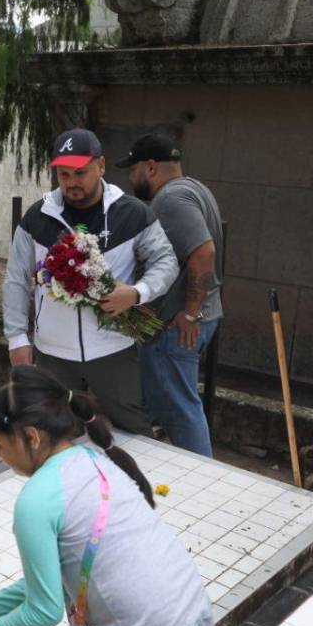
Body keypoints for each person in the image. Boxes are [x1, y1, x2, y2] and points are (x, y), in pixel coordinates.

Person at [0, 366, 215, 626]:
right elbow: (65, 574)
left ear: (31, 437)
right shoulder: (94, 461)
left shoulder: (36, 501)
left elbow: (43, 611)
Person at [3, 128, 180, 436]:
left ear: (101, 166)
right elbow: (17, 278)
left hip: (113, 349)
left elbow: (166, 262)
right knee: (55, 433)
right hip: (53, 354)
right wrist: (17, 337)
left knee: (132, 432)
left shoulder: (133, 214)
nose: (72, 182)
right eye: (63, 174)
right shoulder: (37, 218)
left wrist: (137, 293)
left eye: (81, 173)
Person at [120, 134, 224, 457]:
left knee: (181, 411)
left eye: (133, 168)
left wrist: (191, 312)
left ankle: (202, 481)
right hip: (197, 318)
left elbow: (204, 252)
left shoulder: (171, 200)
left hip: (181, 325)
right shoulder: (195, 189)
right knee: (160, 402)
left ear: (151, 168)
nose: (130, 176)